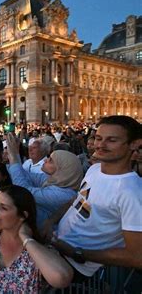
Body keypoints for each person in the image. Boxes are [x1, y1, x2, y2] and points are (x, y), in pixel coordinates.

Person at [45, 116, 142, 280]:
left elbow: (137, 256)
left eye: (111, 140)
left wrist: (78, 253)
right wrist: (50, 221)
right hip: (57, 247)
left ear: (135, 144)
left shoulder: (132, 193)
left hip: (76, 267)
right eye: (98, 138)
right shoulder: (94, 169)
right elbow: (77, 201)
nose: (101, 145)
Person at [0, 185, 73, 293]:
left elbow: (62, 278)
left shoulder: (38, 251)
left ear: (23, 215)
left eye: (3, 208)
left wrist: (25, 238)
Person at [6, 133, 83, 229]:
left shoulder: (63, 195)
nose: (46, 160)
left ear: (63, 169)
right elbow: (25, 175)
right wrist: (15, 153)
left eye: (50, 160)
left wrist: (12, 155)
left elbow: (24, 190)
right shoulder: (55, 180)